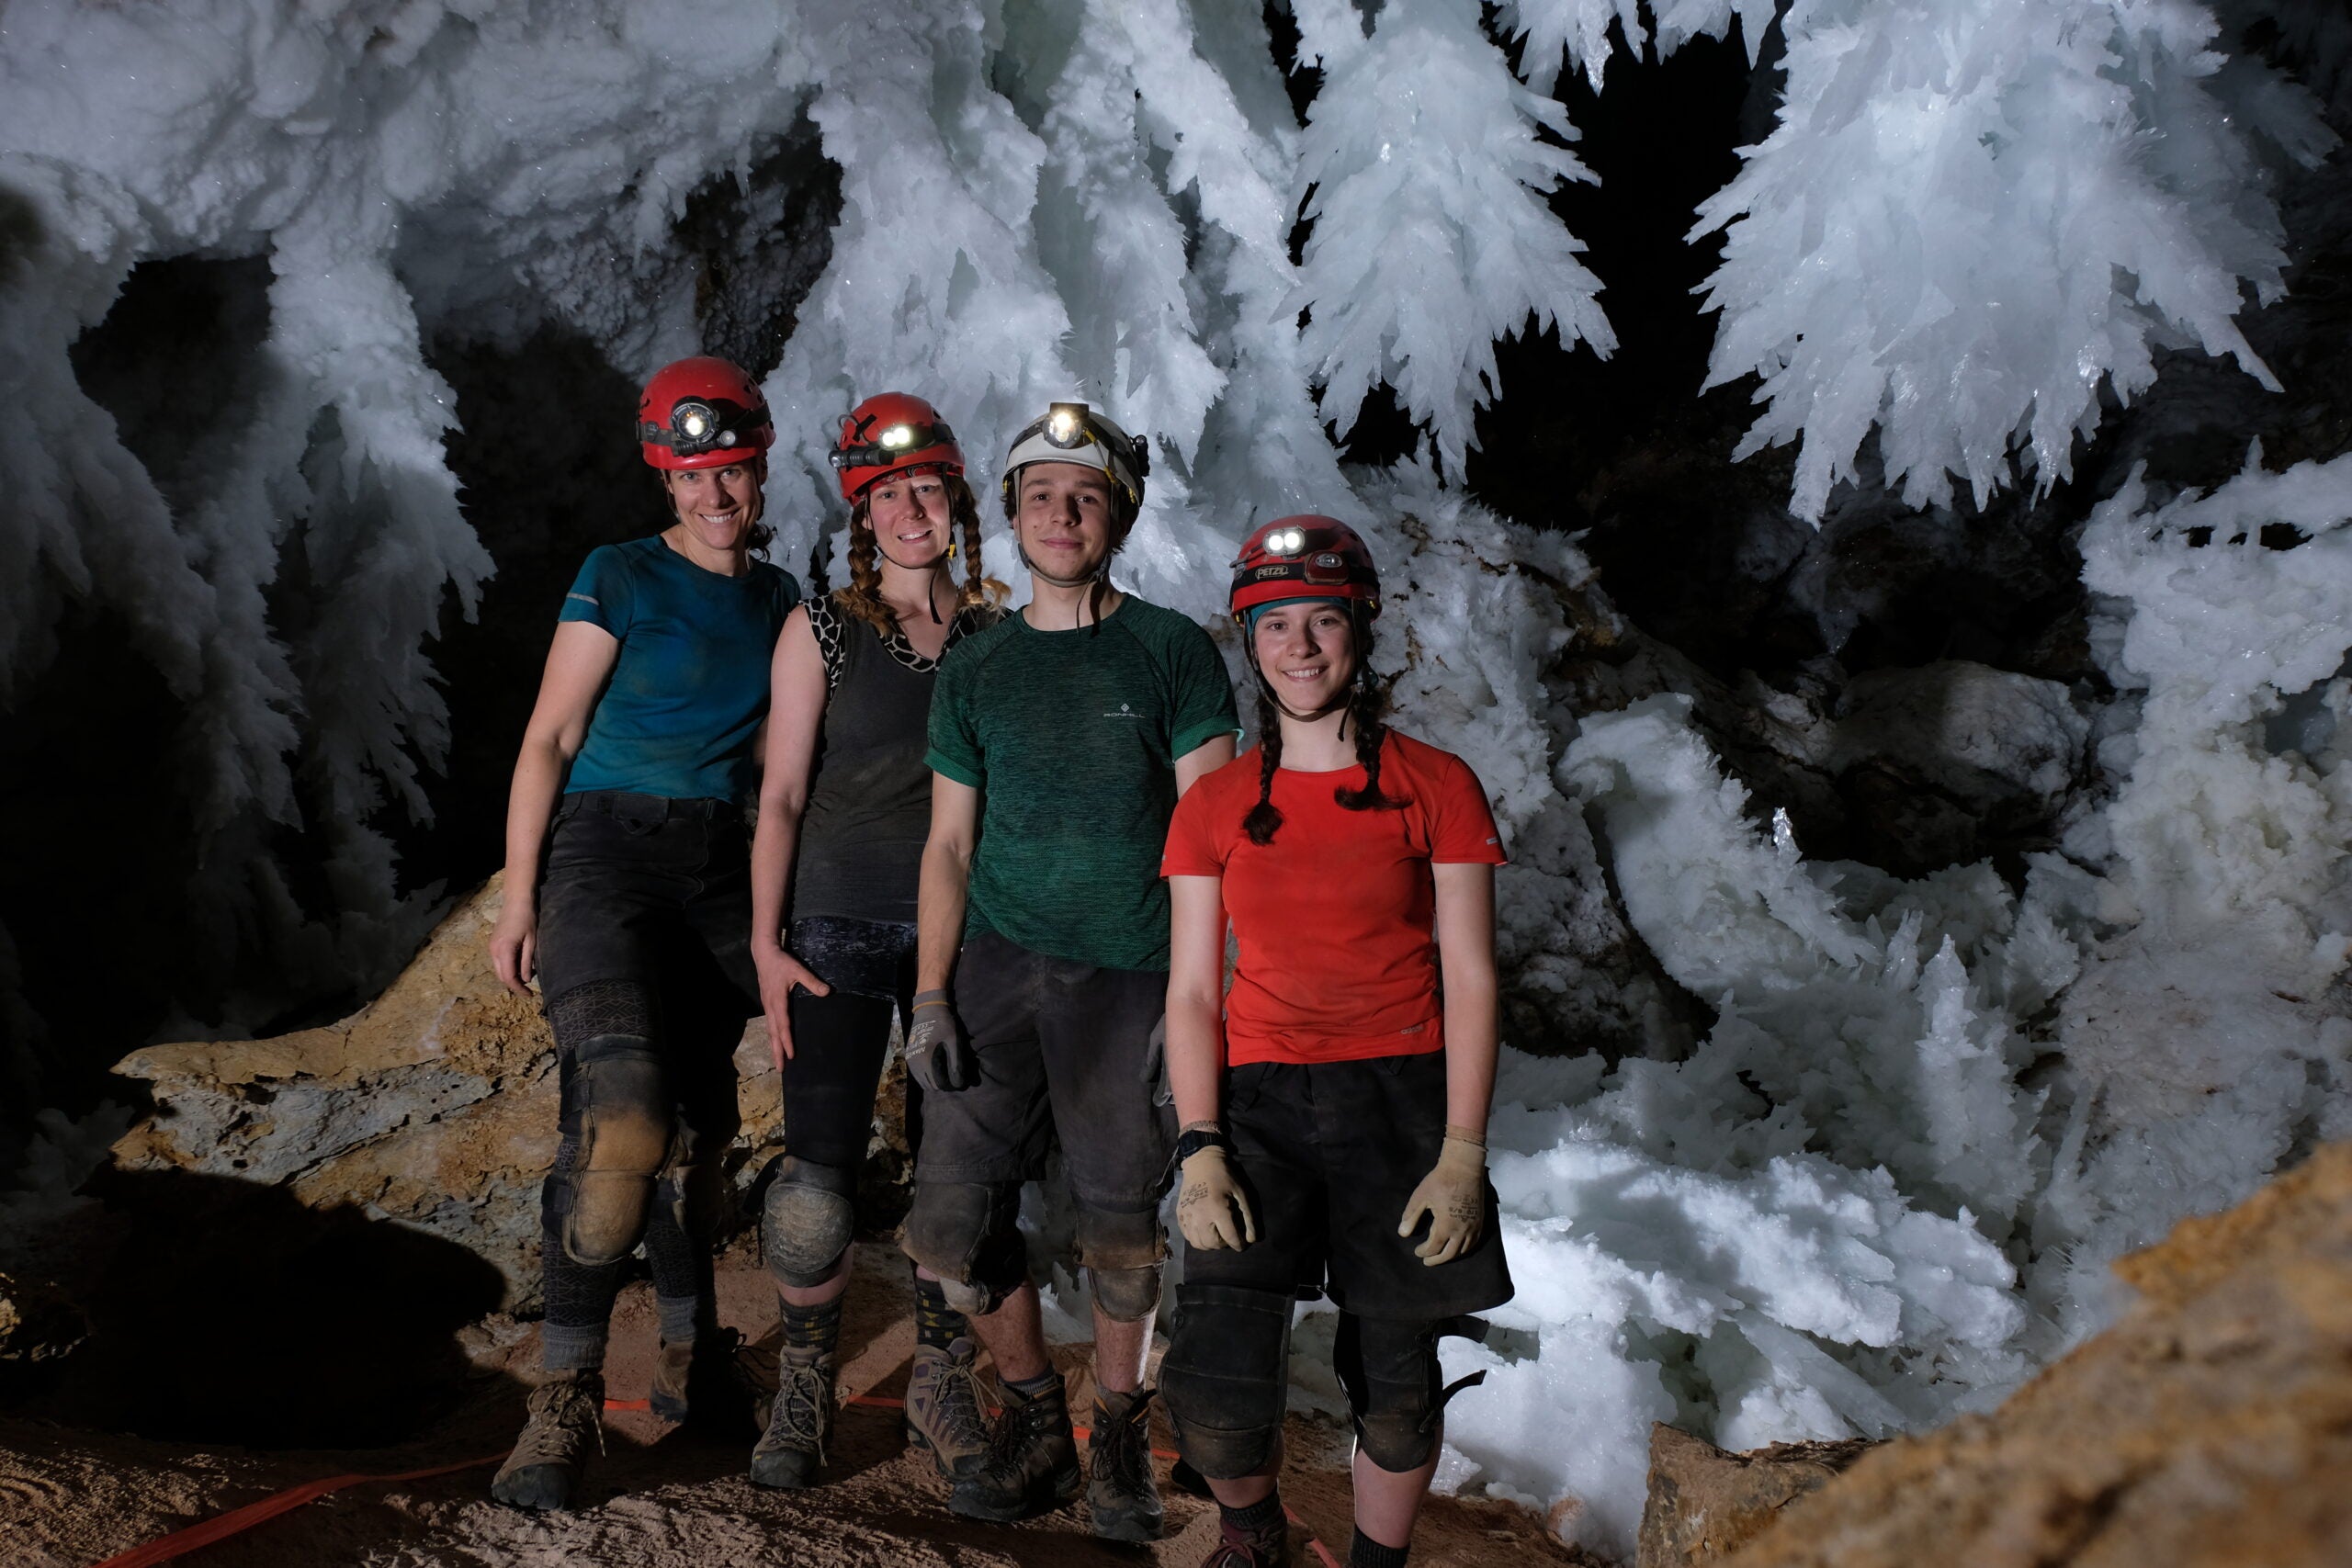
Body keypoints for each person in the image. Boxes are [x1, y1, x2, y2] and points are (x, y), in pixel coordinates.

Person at [900, 400, 1239, 1540]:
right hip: (996, 965)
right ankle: (1037, 1416)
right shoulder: (979, 662)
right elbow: (948, 841)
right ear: (1007, 516)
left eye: (1085, 496)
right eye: (1039, 494)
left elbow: (1212, 835)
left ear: (1119, 518)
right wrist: (934, 991)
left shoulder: (1171, 651)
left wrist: (1202, 997)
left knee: (1119, 1230)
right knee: (947, 1228)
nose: (1061, 513)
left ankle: (1119, 1444)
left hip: (1130, 973)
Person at [1156, 516, 1513, 1568]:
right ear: (1247, 639)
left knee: (1396, 1384)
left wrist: (1462, 1155)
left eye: (1322, 621)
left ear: (1361, 630)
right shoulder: (1214, 804)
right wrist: (1199, 1142)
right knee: (1214, 1389)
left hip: (1400, 1103)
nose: (1299, 647)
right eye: (1275, 625)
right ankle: (1252, 1534)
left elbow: (1474, 976)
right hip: (1259, 1100)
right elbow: (1189, 990)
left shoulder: (1435, 785)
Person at [485, 355, 800, 1511]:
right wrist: (523, 897)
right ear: (663, 477)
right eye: (691, 473)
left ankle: (690, 1351)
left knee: (705, 1136)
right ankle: (562, 1399)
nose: (715, 493)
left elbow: (784, 767)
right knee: (621, 1121)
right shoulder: (615, 574)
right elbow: (550, 739)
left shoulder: (778, 602)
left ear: (760, 465)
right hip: (605, 859)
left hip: (716, 869)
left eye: (731, 469)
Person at [742, 393, 1005, 1489]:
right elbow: (784, 791)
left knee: (960, 1170)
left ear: (955, 499)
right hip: (838, 922)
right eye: (886, 493)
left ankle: (941, 1380)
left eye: (926, 487)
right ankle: (805, 1382)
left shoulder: (997, 636)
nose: (909, 508)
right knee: (816, 1183)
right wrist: (765, 940)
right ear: (861, 510)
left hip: (968, 935)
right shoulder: (823, 629)